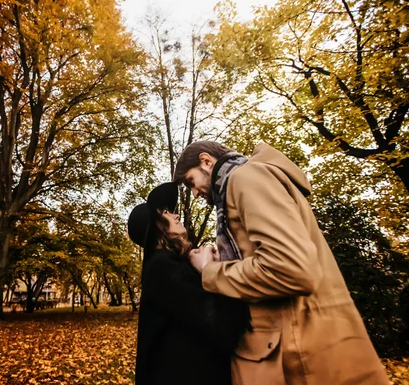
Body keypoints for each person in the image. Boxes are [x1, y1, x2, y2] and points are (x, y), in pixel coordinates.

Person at [174, 141, 389, 385]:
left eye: (191, 182)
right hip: (305, 345)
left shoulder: (245, 178)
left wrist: (210, 270)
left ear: (206, 161)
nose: (194, 193)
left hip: (298, 355)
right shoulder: (246, 181)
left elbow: (290, 268)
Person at [127, 182, 249, 385]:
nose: (175, 215)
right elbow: (220, 328)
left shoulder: (170, 263)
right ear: (157, 225)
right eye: (166, 212)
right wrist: (209, 270)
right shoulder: (161, 267)